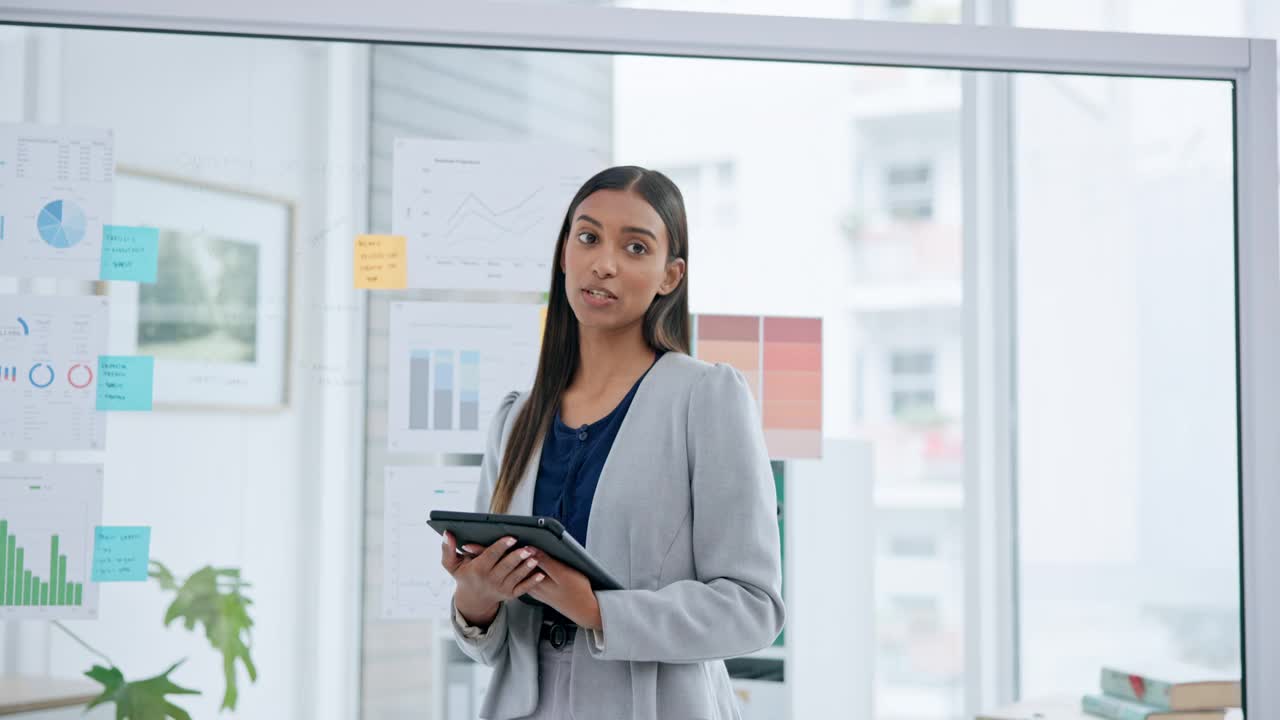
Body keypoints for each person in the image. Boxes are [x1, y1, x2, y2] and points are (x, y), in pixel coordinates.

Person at [440, 165, 784, 720]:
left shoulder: (705, 397)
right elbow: (489, 641)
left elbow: (752, 608)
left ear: (669, 276)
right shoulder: (518, 416)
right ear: (564, 253)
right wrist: (475, 600)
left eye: (635, 247)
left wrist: (598, 610)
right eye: (588, 237)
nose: (604, 262)